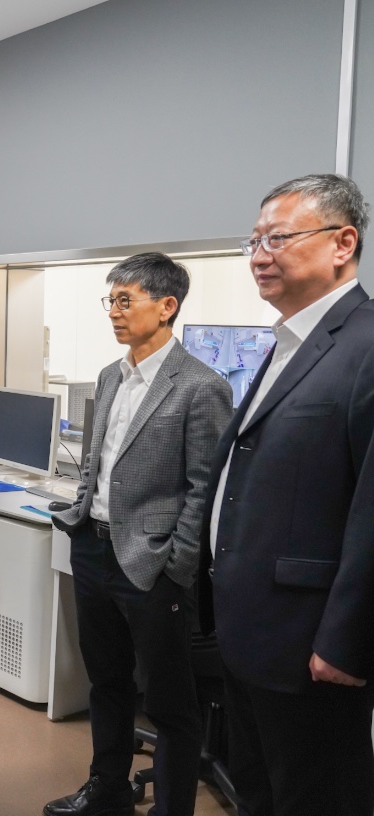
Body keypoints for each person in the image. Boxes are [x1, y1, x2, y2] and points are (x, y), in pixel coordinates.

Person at [200, 174, 374, 816]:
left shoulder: (365, 345)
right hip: (251, 633)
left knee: (317, 798)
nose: (259, 256)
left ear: (342, 244)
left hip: (312, 647)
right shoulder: (287, 344)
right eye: (253, 242)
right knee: (259, 794)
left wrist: (348, 642)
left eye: (277, 239)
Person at [46, 253, 231, 816]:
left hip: (153, 564)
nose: (114, 312)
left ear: (167, 306)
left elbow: (204, 489)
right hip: (94, 549)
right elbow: (96, 461)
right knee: (106, 681)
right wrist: (81, 512)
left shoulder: (201, 387)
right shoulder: (110, 376)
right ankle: (107, 788)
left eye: (125, 300)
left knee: (170, 704)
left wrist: (178, 564)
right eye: (111, 300)